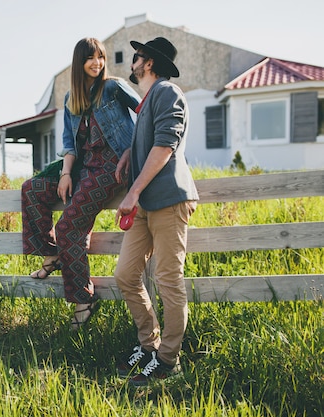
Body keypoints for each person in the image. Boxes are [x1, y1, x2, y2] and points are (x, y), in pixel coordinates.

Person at [21, 37, 140, 331]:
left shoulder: (113, 87)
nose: (97, 63)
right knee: (32, 189)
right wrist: (64, 174)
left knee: (68, 226)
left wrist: (132, 149)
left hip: (112, 166)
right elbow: (69, 144)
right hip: (84, 168)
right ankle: (53, 253)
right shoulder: (70, 99)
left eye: (100, 57)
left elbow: (146, 112)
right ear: (79, 62)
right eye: (91, 58)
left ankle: (83, 299)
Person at [113, 37, 199, 386]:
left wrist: (132, 192)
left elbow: (166, 144)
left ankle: (168, 361)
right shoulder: (147, 100)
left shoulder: (167, 92)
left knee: (167, 280)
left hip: (167, 199)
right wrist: (128, 155)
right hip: (147, 204)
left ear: (147, 63)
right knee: (126, 275)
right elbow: (149, 143)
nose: (132, 62)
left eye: (136, 57)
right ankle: (149, 345)